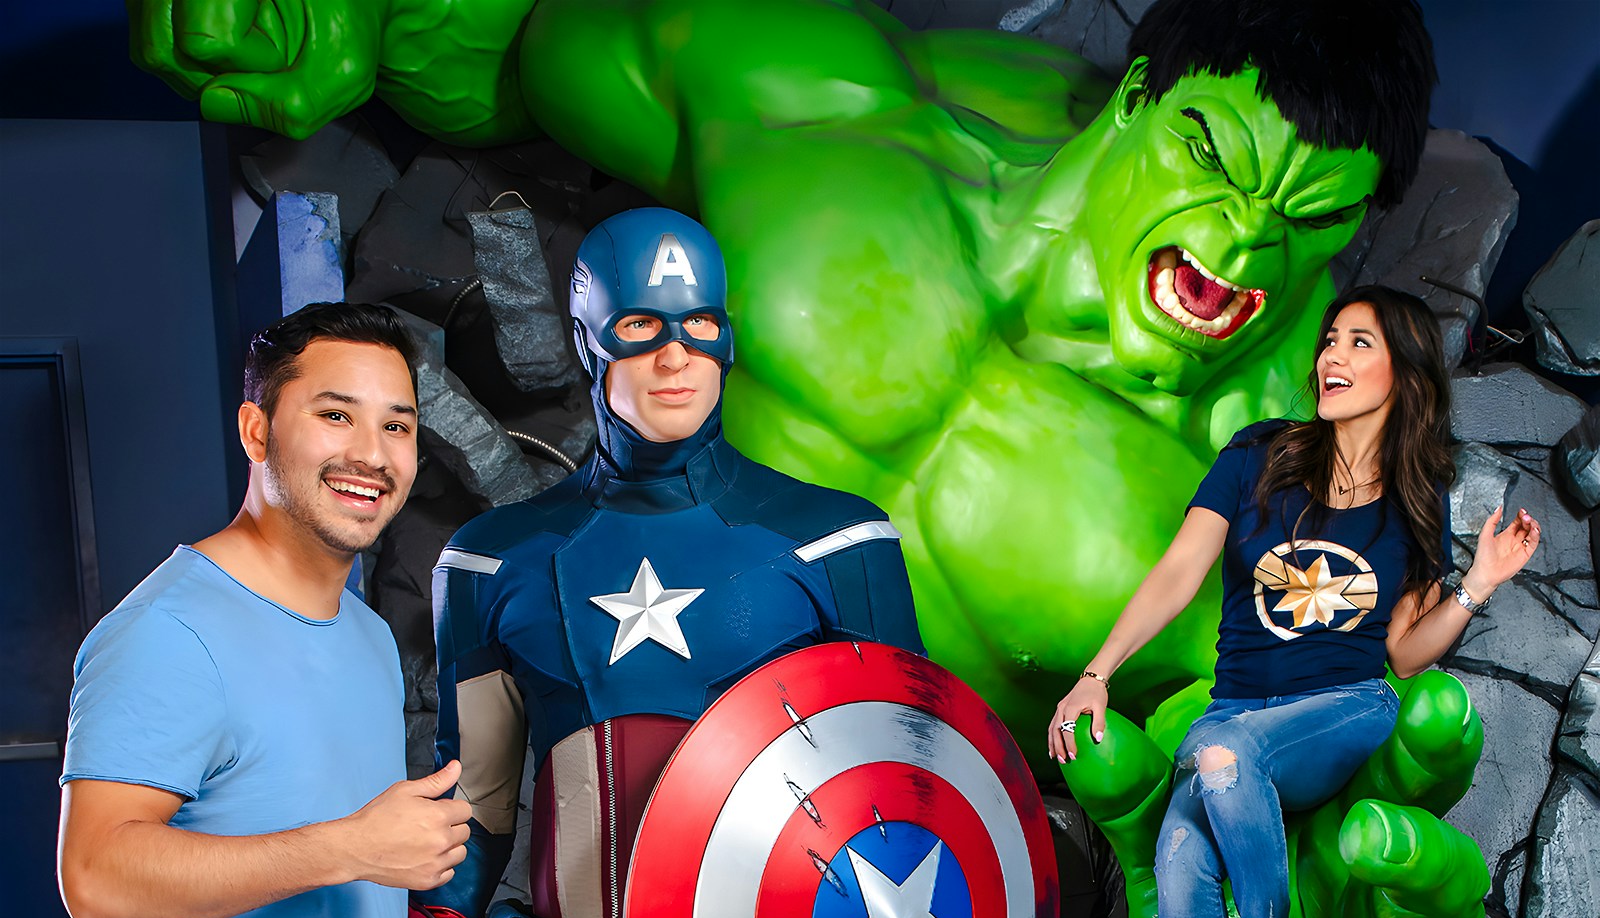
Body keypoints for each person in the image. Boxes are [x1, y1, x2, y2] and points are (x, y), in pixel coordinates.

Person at [126, 0, 1438, 741]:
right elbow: (544, 50)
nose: (1240, 244)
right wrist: (364, 25)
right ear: (1141, 94)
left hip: (894, 872)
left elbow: (1258, 751)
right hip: (607, 722)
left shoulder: (1294, 469)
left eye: (1311, 215)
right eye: (1212, 159)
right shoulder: (836, 114)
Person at [408, 207, 924, 918]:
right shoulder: (490, 560)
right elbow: (476, 805)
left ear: (729, 338)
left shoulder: (841, 543)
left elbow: (906, 792)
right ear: (589, 342)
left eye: (700, 326)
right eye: (642, 326)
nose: (675, 357)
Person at [1046, 285, 1541, 918]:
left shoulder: (1414, 501)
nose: (1332, 356)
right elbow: (1180, 571)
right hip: (1236, 711)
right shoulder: (1255, 456)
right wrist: (1098, 672)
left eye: (1358, 342)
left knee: (1222, 758)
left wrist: (1480, 582)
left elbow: (1403, 654)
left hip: (1344, 707)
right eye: (1330, 339)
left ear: (1404, 373)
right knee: (1180, 849)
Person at [57, 303, 474, 918]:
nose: (372, 454)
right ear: (257, 430)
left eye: (395, 425)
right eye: (336, 415)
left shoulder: (366, 632)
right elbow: (94, 879)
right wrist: (350, 848)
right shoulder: (167, 633)